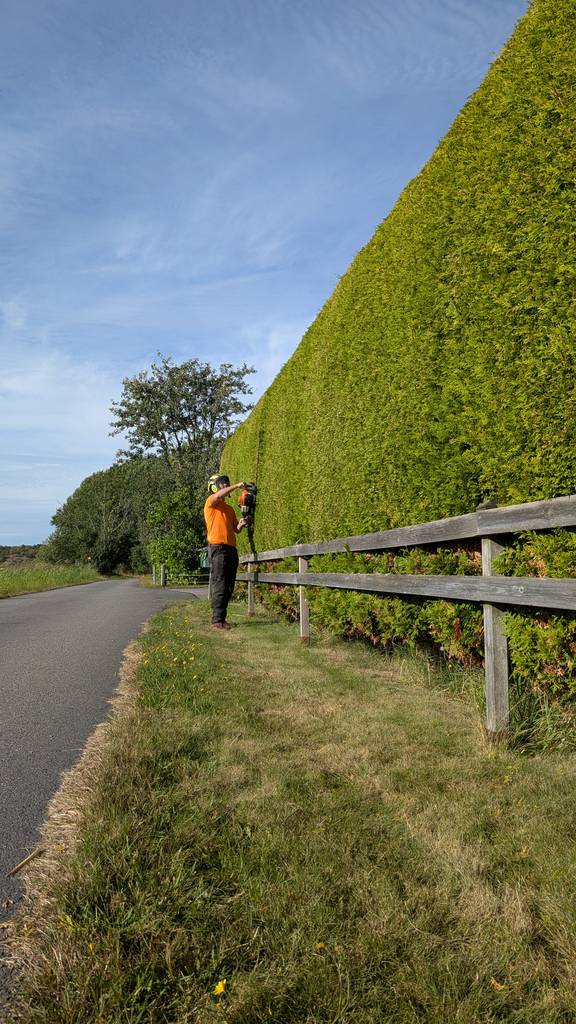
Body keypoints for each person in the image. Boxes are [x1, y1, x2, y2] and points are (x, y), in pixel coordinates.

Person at [204, 474, 249, 630]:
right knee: (220, 583)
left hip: (231, 549)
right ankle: (216, 620)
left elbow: (235, 530)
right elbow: (218, 496)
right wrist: (237, 486)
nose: (226, 486)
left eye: (227, 484)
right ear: (215, 487)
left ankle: (222, 619)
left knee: (229, 585)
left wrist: (241, 524)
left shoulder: (229, 509)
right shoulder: (211, 503)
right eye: (223, 484)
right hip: (218, 548)